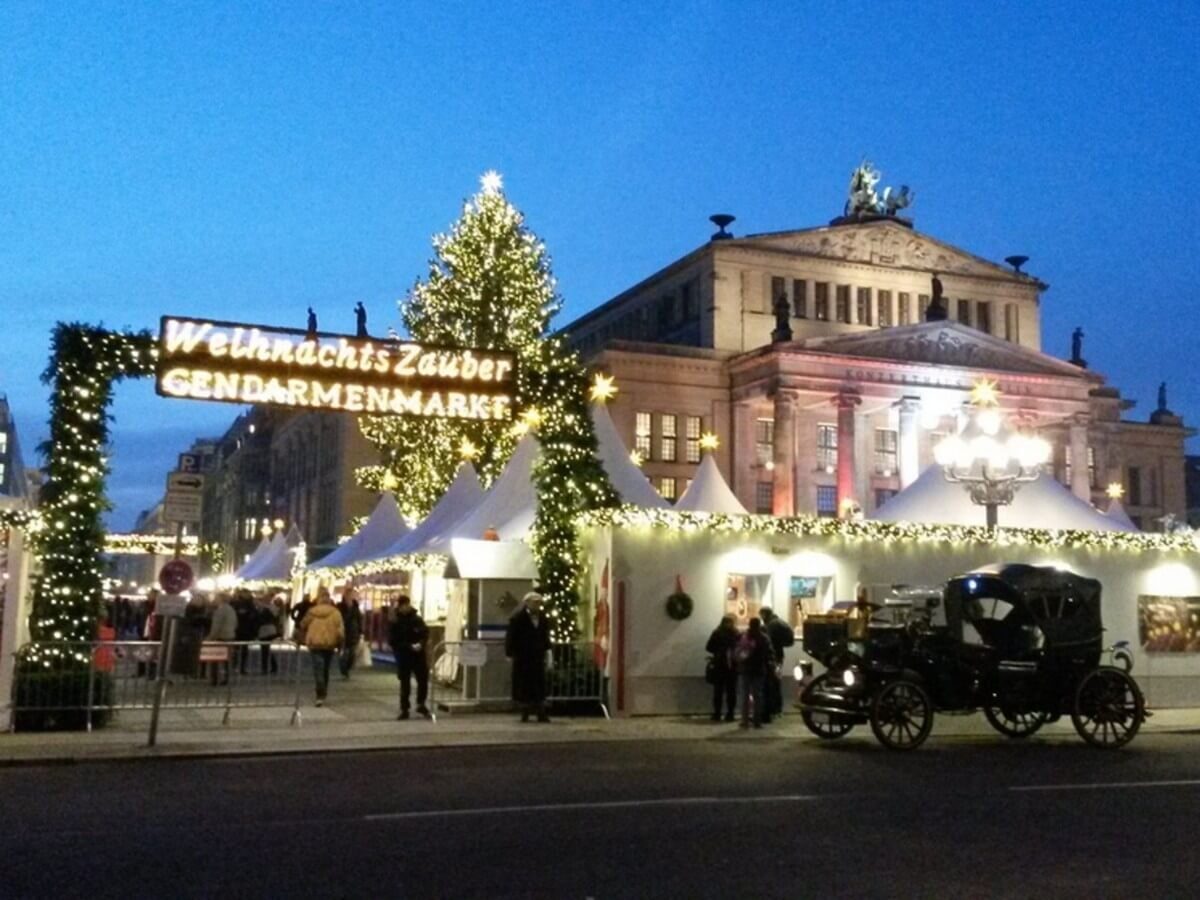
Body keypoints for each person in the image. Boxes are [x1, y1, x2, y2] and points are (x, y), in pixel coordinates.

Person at [506, 591, 552, 723]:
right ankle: (525, 712)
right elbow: (511, 636)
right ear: (527, 603)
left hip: (537, 657)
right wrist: (509, 653)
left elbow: (545, 636)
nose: (537, 605)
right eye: (534, 603)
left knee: (538, 685)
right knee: (524, 685)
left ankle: (540, 712)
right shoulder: (517, 618)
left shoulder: (542, 618)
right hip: (523, 657)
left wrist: (548, 651)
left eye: (538, 603)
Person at [387, 594, 430, 720]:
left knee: (423, 679)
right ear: (399, 607)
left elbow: (425, 633)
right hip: (404, 655)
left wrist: (421, 644)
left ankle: (421, 703)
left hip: (418, 655)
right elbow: (393, 640)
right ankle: (404, 708)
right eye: (403, 605)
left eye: (407, 605)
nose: (405, 608)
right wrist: (408, 646)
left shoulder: (417, 619)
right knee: (405, 683)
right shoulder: (395, 621)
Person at [299, 591, 345, 707]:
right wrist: (340, 644)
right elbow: (340, 631)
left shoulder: (312, 612)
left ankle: (320, 694)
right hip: (329, 644)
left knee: (318, 669)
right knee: (325, 669)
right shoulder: (336, 613)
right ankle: (323, 692)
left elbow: (303, 624)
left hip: (315, 644)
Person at [735, 617, 774, 729]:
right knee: (758, 696)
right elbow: (770, 653)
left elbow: (738, 650)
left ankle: (745, 721)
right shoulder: (764, 638)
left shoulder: (744, 636)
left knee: (745, 696)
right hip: (759, 669)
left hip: (745, 669)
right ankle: (757, 721)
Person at [759, 607, 796, 722]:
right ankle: (777, 709)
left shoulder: (771, 625)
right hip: (779, 657)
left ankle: (772, 709)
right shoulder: (779, 622)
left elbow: (767, 642)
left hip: (772, 658)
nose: (761, 617)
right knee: (776, 682)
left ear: (765, 614)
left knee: (771, 684)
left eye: (761, 615)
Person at [705, 615, 739, 722]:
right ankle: (730, 714)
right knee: (731, 691)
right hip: (732, 666)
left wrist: (718, 651)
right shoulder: (736, 633)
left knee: (718, 691)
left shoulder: (717, 632)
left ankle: (717, 713)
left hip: (719, 665)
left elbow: (709, 647)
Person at [207, 593, 238, 686]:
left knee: (215, 659)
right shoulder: (231, 609)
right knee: (226, 660)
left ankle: (215, 679)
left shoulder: (220, 610)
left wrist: (210, 637)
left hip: (220, 637)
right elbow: (236, 623)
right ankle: (226, 678)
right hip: (230, 636)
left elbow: (216, 626)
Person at [337, 587, 364, 679]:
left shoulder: (356, 607)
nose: (351, 596)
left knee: (352, 654)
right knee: (344, 652)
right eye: (350, 594)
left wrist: (361, 631)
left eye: (353, 595)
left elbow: (360, 620)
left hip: (353, 632)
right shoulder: (340, 606)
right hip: (343, 631)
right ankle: (343, 668)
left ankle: (347, 668)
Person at [255, 593, 281, 675]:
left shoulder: (268, 608)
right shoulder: (268, 608)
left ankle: (266, 668)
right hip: (267, 630)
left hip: (267, 630)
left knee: (265, 649)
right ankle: (271, 667)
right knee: (266, 649)